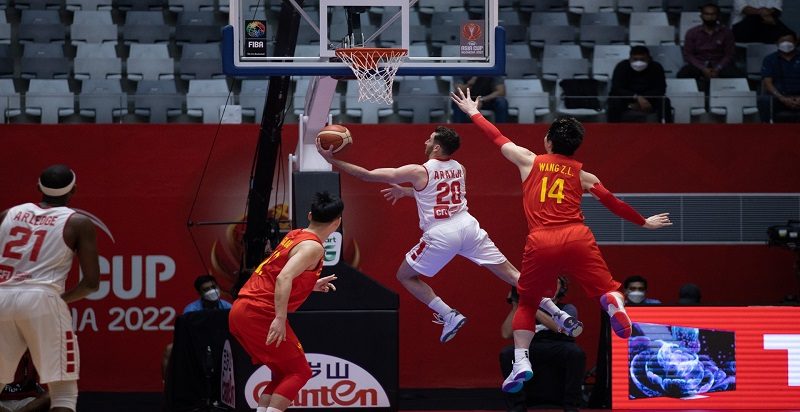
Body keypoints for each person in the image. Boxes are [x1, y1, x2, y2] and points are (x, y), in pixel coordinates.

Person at [451, 89, 672, 394]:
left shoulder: (528, 160)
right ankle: (614, 305)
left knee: (527, 302)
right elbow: (614, 203)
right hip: (577, 237)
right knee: (608, 290)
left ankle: (521, 361)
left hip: (541, 240)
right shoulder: (584, 176)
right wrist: (644, 222)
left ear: (548, 141)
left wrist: (473, 112)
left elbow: (497, 137)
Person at [317, 126, 520, 343]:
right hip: (468, 226)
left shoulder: (419, 171)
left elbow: (367, 175)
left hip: (442, 233)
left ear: (437, 147)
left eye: (429, 140)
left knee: (405, 276)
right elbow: (436, 192)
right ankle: (548, 305)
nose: (425, 142)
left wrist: (332, 160)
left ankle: (448, 314)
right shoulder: (460, 168)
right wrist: (406, 192)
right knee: (511, 274)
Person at [228, 191, 342, 412]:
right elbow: (283, 277)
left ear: (310, 215)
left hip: (243, 310)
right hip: (260, 312)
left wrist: (310, 284)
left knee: (282, 373)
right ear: (337, 222)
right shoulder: (313, 247)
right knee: (300, 372)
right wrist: (280, 319)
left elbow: (276, 272)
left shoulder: (295, 234)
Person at [0, 164, 100, 412]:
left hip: (2, 295)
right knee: (63, 391)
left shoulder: (7, 214)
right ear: (74, 190)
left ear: (38, 187)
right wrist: (58, 301)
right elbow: (90, 284)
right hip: (42, 296)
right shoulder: (78, 222)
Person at [499, 277, 585, 412]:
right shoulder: (524, 310)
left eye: (554, 283)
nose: (549, 286)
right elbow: (506, 333)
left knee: (576, 353)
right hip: (530, 346)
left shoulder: (567, 308)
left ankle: (571, 406)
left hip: (559, 345)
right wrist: (517, 304)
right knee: (507, 353)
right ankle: (517, 406)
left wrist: (533, 307)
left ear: (562, 288)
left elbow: (560, 328)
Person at [677, 3, 744, 91]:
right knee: (683, 74)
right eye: (707, 14)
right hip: (699, 64)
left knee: (739, 76)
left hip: (720, 64)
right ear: (701, 16)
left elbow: (729, 54)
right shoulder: (692, 33)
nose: (710, 17)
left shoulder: (726, 33)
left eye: (713, 14)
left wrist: (718, 68)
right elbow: (688, 55)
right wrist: (703, 68)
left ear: (718, 16)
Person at [607, 46, 673, 123]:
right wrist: (637, 98)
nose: (638, 62)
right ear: (630, 59)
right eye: (635, 59)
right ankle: (613, 129)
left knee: (664, 102)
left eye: (642, 59)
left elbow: (661, 89)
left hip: (649, 100)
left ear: (648, 59)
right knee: (614, 101)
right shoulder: (622, 66)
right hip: (627, 99)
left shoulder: (656, 67)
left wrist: (644, 99)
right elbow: (617, 88)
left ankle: (666, 128)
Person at [758, 31, 800, 123]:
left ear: (796, 42)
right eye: (782, 42)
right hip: (779, 98)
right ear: (777, 43)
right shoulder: (770, 59)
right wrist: (782, 98)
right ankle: (767, 129)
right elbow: (767, 83)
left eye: (789, 41)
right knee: (764, 101)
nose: (786, 44)